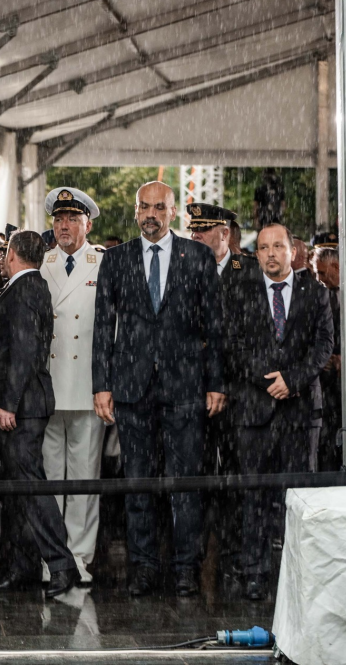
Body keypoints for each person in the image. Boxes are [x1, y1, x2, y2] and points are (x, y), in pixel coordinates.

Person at [92, 181, 225, 597]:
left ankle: (186, 568)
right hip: (132, 389)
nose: (151, 214)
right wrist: (101, 385)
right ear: (136, 211)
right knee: (138, 484)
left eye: (159, 207)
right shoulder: (116, 259)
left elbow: (215, 326)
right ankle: (144, 568)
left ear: (173, 212)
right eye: (144, 207)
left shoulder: (197, 257)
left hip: (185, 387)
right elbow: (103, 326)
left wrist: (216, 382)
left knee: (186, 483)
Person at [225, 224, 333, 600]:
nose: (271, 253)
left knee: (299, 497)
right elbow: (233, 345)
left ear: (292, 252)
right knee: (253, 496)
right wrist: (269, 380)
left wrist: (293, 380)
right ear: (257, 255)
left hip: (301, 412)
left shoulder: (316, 293)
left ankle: (299, 572)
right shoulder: (241, 293)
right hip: (254, 410)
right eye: (264, 247)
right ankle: (255, 573)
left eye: (278, 246)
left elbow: (323, 345)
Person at [0, 230, 78, 597]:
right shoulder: (28, 286)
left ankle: (62, 565)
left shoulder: (24, 289)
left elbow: (22, 352)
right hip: (26, 402)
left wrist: (9, 402)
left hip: (22, 405)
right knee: (18, 490)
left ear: (11, 254)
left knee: (31, 487)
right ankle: (22, 568)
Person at [185, 202, 261, 577]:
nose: (195, 235)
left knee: (236, 475)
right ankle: (192, 554)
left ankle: (234, 554)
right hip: (191, 389)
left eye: (203, 230)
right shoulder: (182, 269)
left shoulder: (248, 272)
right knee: (193, 475)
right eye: (193, 230)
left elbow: (252, 332)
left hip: (237, 391)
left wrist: (223, 373)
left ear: (224, 233)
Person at [38, 187, 105, 586]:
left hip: (87, 385)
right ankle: (52, 557)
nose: (64, 226)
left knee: (83, 478)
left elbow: (111, 327)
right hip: (48, 384)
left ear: (87, 225)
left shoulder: (104, 262)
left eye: (73, 219)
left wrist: (107, 384)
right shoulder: (41, 261)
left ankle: (80, 556)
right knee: (49, 478)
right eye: (59, 219)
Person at [311, 237, 342, 471]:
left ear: (337, 267)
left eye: (322, 272)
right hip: (327, 383)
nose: (318, 278)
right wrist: (324, 357)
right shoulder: (319, 297)